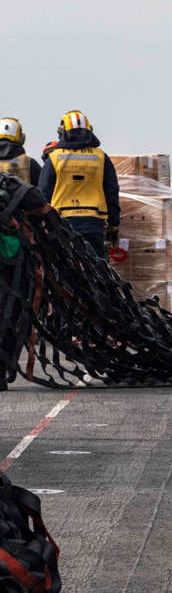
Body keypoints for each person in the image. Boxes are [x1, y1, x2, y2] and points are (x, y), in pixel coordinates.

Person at [38, 111, 120, 259]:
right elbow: (112, 192)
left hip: (62, 223)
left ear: (62, 132)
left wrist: (40, 224)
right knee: (98, 268)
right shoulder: (101, 157)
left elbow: (43, 194)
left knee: (65, 267)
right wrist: (114, 225)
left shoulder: (54, 158)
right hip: (93, 222)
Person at [0, 121, 43, 391]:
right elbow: (40, 200)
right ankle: (3, 370)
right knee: (9, 309)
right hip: (14, 251)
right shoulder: (29, 164)